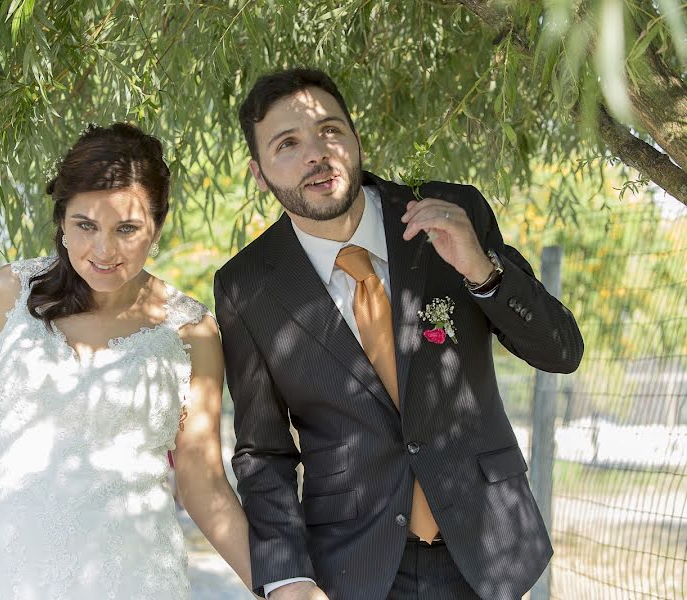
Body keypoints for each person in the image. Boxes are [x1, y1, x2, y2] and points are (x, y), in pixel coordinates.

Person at [213, 69, 584, 600]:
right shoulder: (246, 285)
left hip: (487, 550)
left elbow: (562, 351)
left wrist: (482, 271)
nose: (318, 153)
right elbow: (263, 452)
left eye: (331, 131)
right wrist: (287, 579)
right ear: (259, 172)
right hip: (351, 567)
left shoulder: (452, 214)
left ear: (356, 138)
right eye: (288, 144)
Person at [0, 123, 255, 599]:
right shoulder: (9, 292)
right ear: (61, 221)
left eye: (126, 229)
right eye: (85, 225)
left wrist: (278, 586)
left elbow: (204, 483)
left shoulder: (190, 330)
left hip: (133, 576)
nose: (104, 250)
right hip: (4, 567)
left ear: (157, 227)